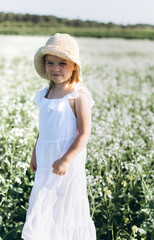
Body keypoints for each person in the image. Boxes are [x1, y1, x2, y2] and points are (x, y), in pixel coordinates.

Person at [21, 33, 96, 240]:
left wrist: (66, 159)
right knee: (44, 204)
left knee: (66, 205)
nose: (55, 68)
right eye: (50, 63)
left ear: (74, 66)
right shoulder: (46, 94)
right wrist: (35, 153)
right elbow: (42, 129)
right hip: (47, 158)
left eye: (62, 63)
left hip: (66, 159)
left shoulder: (78, 95)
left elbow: (84, 133)